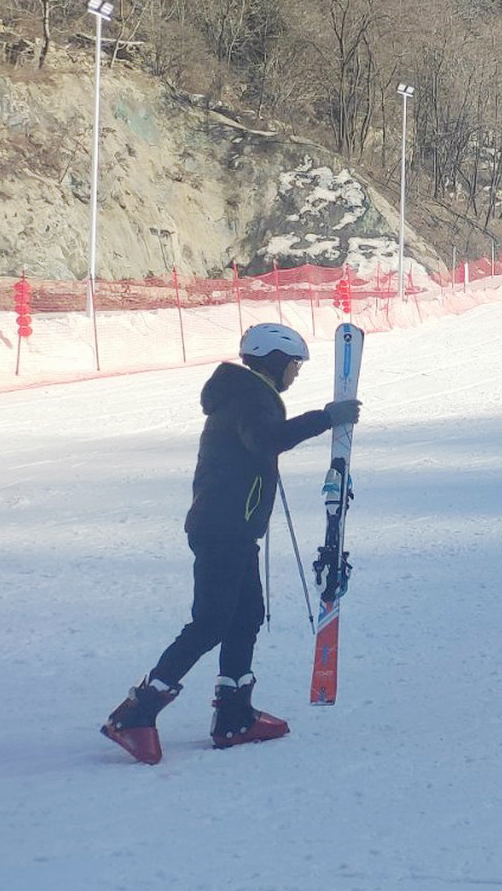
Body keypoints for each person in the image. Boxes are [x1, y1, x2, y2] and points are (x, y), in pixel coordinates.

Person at [100, 323, 361, 765]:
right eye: (294, 365)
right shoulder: (250, 397)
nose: (295, 374)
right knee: (211, 622)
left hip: (232, 529)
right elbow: (265, 441)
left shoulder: (246, 393)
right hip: (223, 529)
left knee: (246, 617)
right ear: (276, 361)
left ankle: (234, 715)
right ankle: (136, 712)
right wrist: (326, 417)